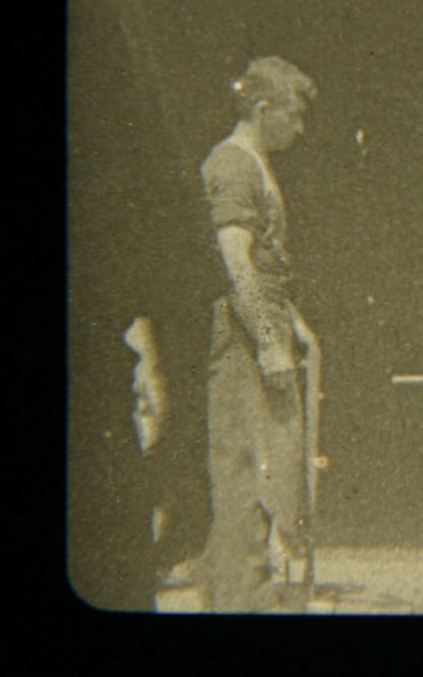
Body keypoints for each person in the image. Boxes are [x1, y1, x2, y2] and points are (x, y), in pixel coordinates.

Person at [169, 56, 321, 612]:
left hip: (263, 322)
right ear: (261, 109)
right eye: (293, 116)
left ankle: (244, 588)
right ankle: (239, 597)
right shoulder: (233, 165)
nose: (299, 129)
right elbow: (235, 261)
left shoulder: (257, 163)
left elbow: (264, 259)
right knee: (244, 467)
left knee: (269, 462)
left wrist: (291, 323)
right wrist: (268, 340)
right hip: (240, 335)